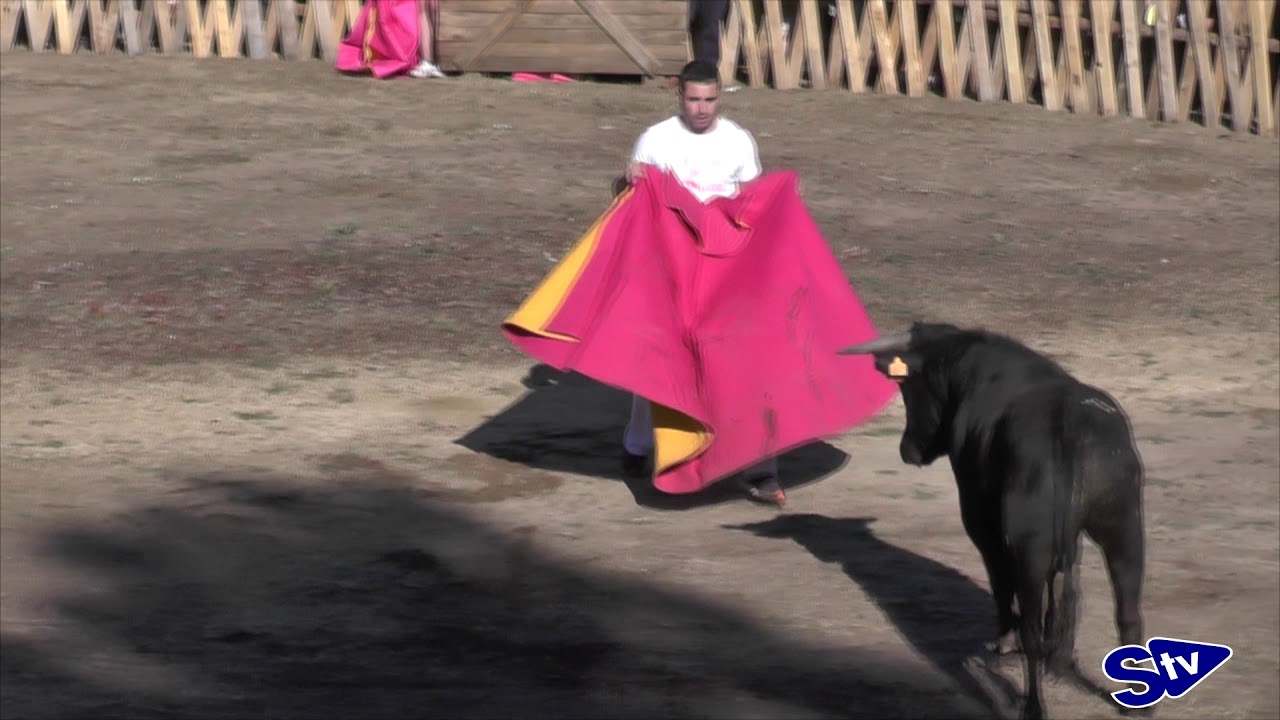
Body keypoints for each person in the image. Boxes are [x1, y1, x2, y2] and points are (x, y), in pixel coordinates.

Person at [616, 59, 785, 506]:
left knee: (743, 362)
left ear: (720, 96)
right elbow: (623, 201)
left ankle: (760, 469)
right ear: (680, 97)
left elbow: (753, 204)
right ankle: (638, 445)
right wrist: (627, 179)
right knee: (658, 355)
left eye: (710, 99)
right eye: (694, 99)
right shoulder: (657, 139)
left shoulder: (737, 141)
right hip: (668, 265)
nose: (702, 108)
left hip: (724, 267)